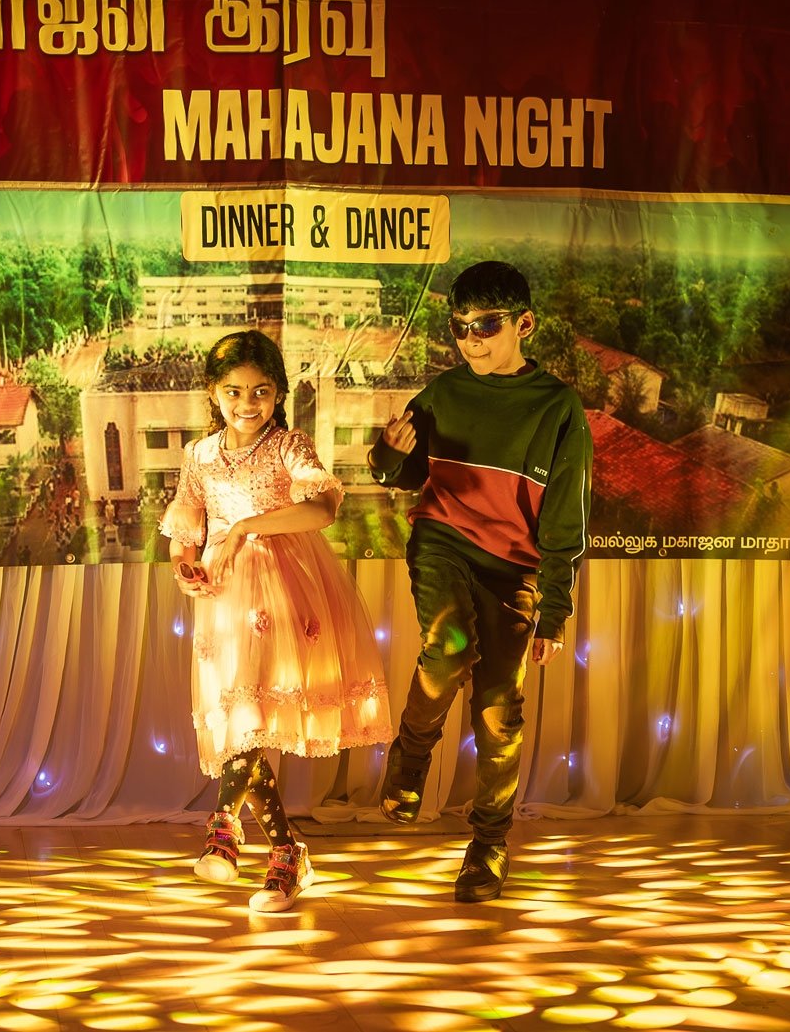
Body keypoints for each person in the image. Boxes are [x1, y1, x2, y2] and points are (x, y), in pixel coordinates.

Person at [367, 260, 591, 902]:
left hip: (513, 568)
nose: (471, 340)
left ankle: (488, 845)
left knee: (498, 712)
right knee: (448, 649)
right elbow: (400, 475)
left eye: (486, 325)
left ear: (525, 324)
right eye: (460, 327)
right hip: (444, 540)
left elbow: (565, 519)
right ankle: (412, 756)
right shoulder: (443, 392)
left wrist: (553, 610)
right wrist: (390, 454)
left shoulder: (557, 407)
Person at [160, 330, 393, 912]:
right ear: (213, 392)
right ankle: (287, 853)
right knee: (244, 720)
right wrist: (186, 567)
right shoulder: (199, 456)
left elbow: (323, 508)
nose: (247, 404)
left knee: (256, 717)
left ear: (279, 394)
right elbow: (185, 530)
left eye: (260, 391)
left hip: (286, 592)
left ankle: (223, 827)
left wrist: (245, 527)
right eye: (234, 392)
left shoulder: (289, 445)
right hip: (225, 598)